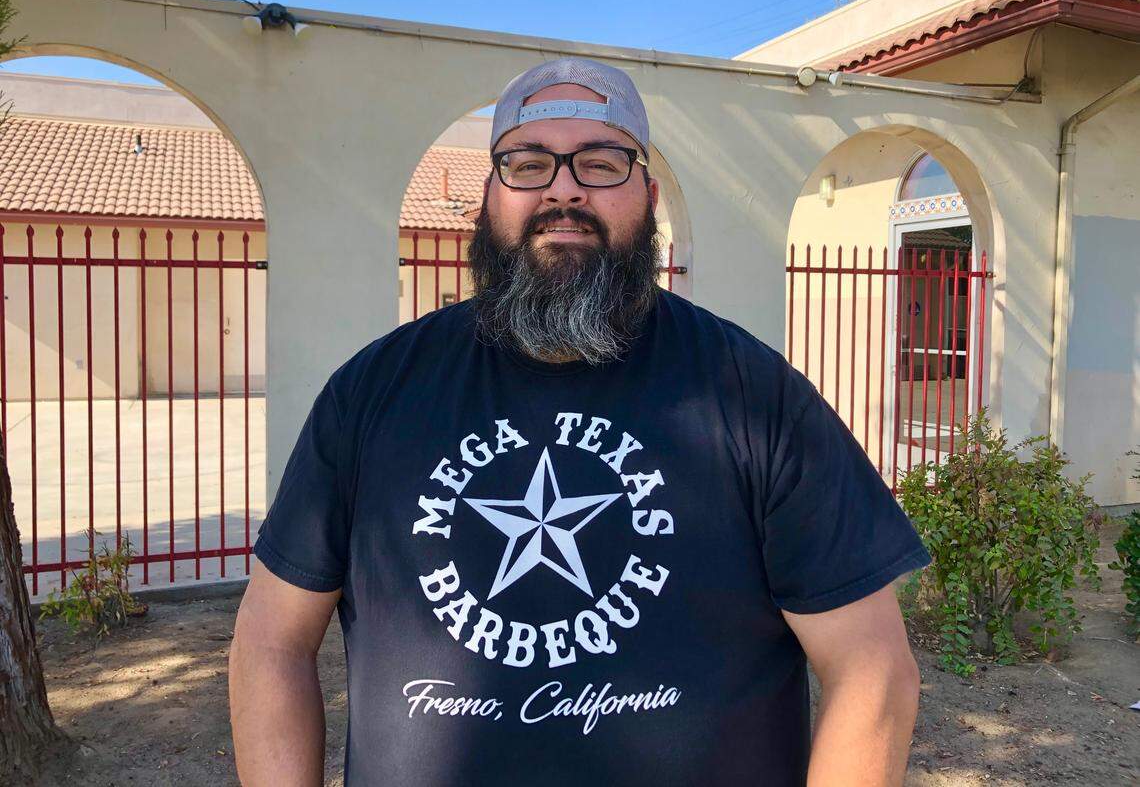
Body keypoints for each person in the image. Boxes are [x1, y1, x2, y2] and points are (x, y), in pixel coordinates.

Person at [229, 57, 932, 787]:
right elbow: (271, 641)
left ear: (649, 197)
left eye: (600, 162)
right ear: (488, 197)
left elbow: (873, 668)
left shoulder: (756, 397)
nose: (563, 188)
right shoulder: (370, 393)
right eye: (528, 163)